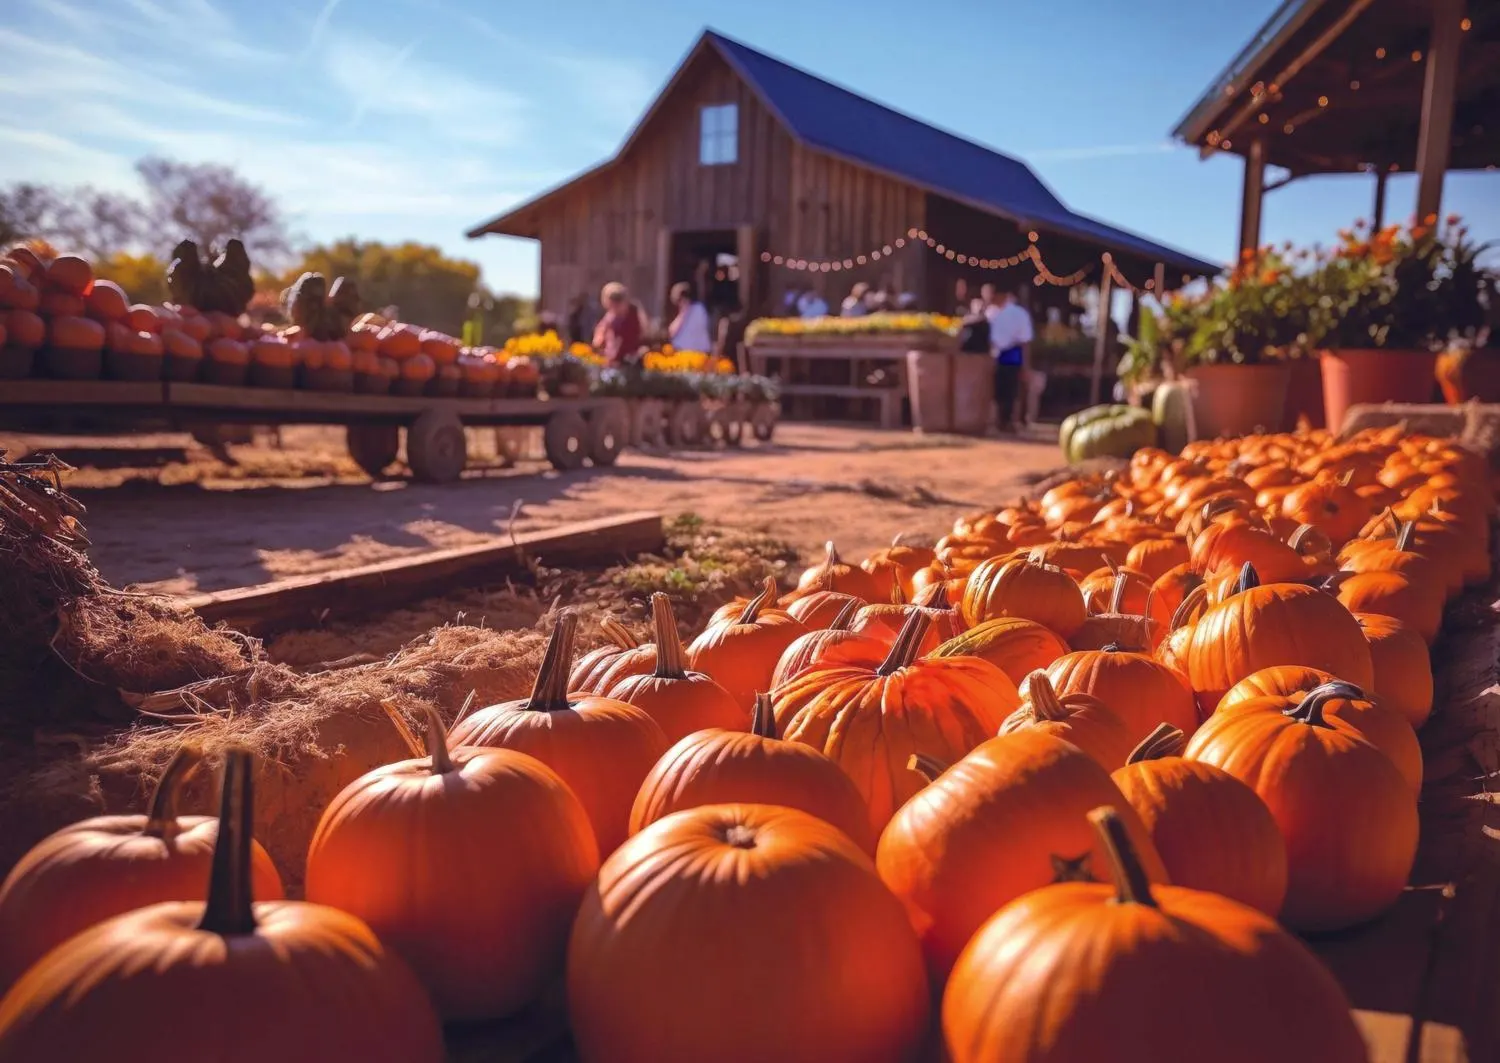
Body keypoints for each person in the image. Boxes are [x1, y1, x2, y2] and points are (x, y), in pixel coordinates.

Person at [985, 282, 1034, 433]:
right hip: (994, 353)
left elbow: (1025, 341)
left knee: (1011, 389)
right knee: (998, 389)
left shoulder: (1018, 313)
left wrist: (1025, 365)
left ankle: (1010, 420)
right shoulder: (990, 313)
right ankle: (1000, 420)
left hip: (1011, 352)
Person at [592, 282, 644, 366]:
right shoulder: (609, 319)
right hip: (613, 362)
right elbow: (597, 342)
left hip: (627, 361)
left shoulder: (632, 315)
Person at [667, 281, 713, 352]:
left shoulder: (699, 309)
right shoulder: (678, 313)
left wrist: (685, 312)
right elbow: (671, 332)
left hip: (696, 352)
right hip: (682, 352)